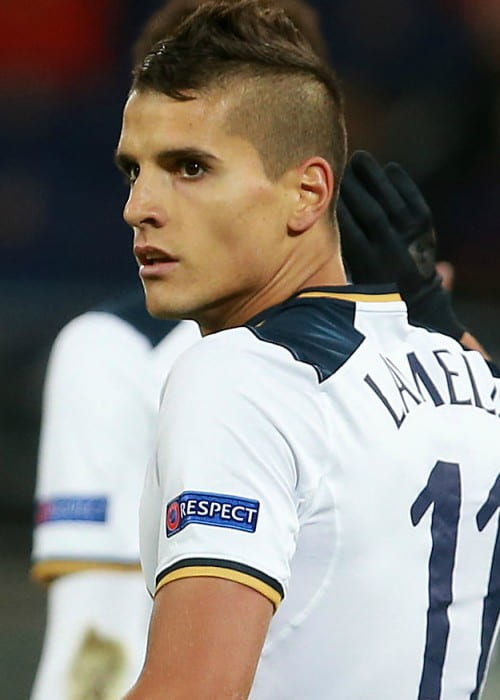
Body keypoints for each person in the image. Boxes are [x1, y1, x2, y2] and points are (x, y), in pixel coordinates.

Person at [115, 1, 500, 698]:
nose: (139, 204)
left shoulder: (241, 373)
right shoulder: (470, 380)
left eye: (190, 167)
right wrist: (438, 314)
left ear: (308, 192)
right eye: (132, 170)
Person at [29, 2, 332, 699]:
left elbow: (90, 656)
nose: (141, 205)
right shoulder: (426, 357)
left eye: (190, 165)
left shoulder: (116, 353)